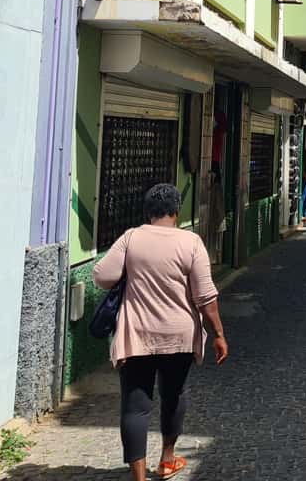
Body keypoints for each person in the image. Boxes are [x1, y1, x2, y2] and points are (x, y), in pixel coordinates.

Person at [94, 184, 229, 481]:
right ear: (176, 211)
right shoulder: (191, 242)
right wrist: (218, 333)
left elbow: (103, 277)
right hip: (179, 335)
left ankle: (139, 477)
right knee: (173, 395)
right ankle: (167, 459)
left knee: (135, 405)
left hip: (137, 335)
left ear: (148, 212)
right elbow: (206, 296)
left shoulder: (131, 238)